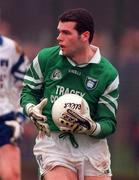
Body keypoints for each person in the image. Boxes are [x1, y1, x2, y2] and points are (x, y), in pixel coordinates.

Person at [20, 8, 119, 180]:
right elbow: (28, 92)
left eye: (66, 32)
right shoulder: (46, 58)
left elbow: (108, 122)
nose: (59, 37)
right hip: (54, 144)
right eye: (59, 31)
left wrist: (92, 127)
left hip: (92, 148)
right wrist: (31, 109)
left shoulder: (108, 74)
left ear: (85, 36)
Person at [0, 34, 29, 180]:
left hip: (4, 118)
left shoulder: (11, 48)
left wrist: (21, 115)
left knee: (11, 175)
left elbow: (28, 85)